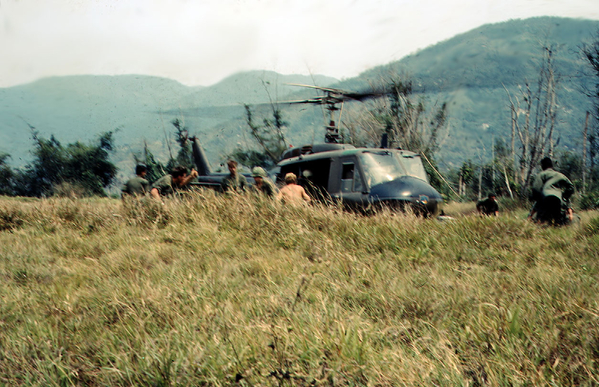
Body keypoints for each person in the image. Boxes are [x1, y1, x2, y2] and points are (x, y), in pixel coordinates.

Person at [528, 157, 574, 225]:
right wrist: (565, 196)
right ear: (551, 165)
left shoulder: (541, 175)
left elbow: (536, 188)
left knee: (540, 218)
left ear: (542, 166)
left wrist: (538, 198)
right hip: (558, 200)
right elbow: (571, 187)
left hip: (545, 200)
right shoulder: (559, 175)